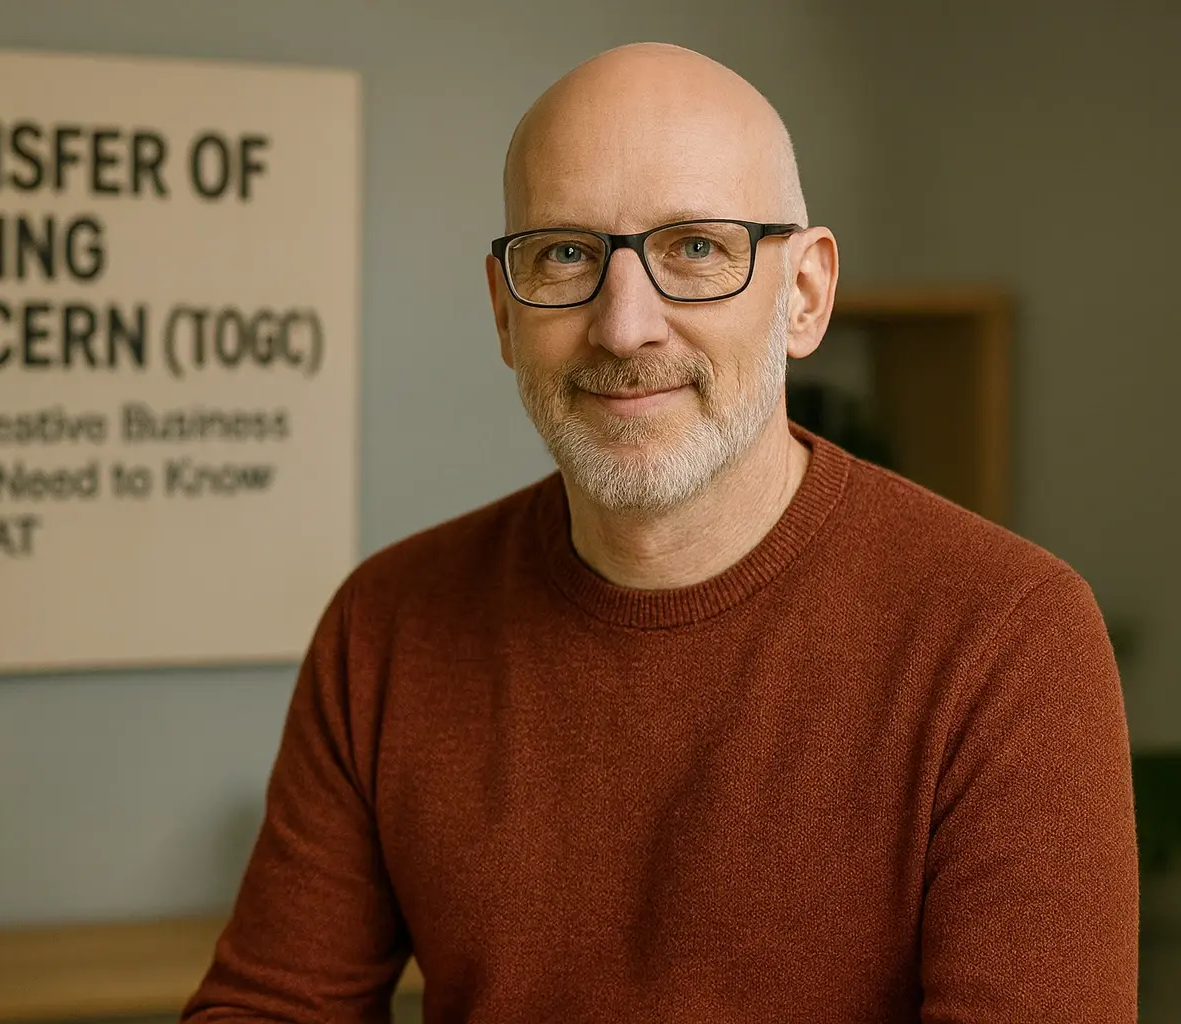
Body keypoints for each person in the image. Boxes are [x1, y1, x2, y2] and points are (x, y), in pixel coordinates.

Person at [182, 42, 1138, 1023]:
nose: (625, 324)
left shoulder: (1008, 635)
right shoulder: (386, 624)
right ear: (505, 312)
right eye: (565, 253)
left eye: (695, 248)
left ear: (803, 294)